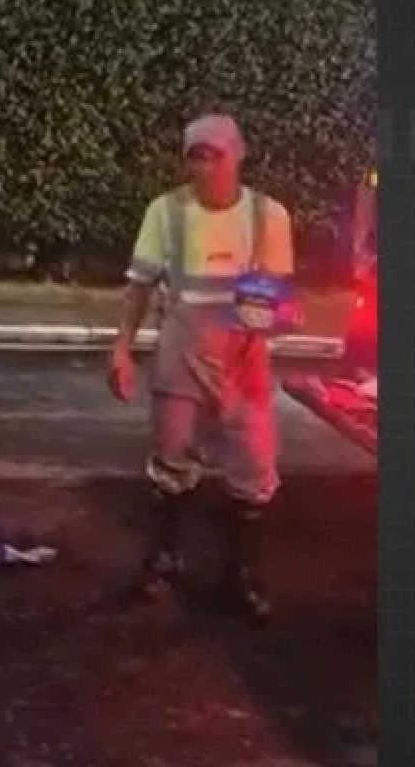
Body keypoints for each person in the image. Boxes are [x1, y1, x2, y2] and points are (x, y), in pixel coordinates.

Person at [108, 114, 295, 625]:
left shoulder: (268, 215)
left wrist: (274, 324)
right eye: (195, 154)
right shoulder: (166, 212)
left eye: (214, 153)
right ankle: (165, 559)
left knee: (254, 468)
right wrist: (122, 347)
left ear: (240, 153)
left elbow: (276, 298)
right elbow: (140, 286)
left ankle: (243, 574)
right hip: (180, 353)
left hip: (245, 357)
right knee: (170, 461)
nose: (204, 164)